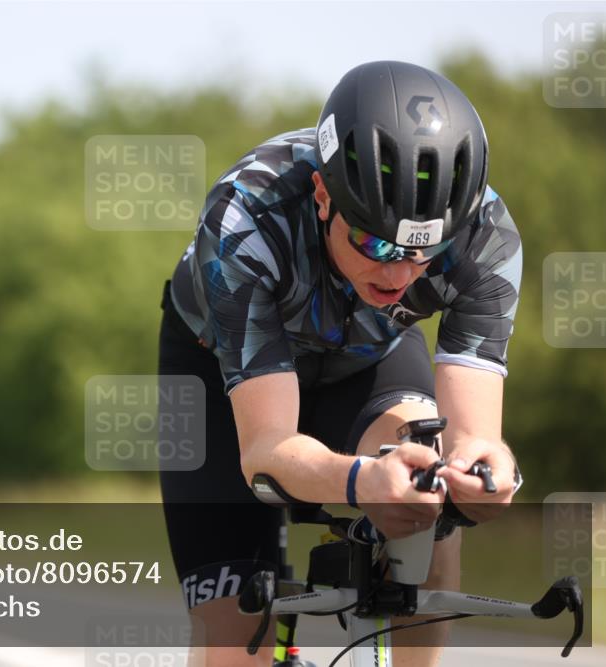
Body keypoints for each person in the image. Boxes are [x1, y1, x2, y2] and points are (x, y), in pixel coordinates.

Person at [158, 60, 524, 667]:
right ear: (323, 193)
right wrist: (360, 480)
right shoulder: (247, 217)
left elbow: (476, 437)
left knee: (426, 496)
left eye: (422, 251)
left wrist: (487, 472)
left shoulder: (484, 234)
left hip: (365, 356)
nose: (400, 274)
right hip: (219, 372)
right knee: (233, 633)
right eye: (376, 244)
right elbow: (268, 448)